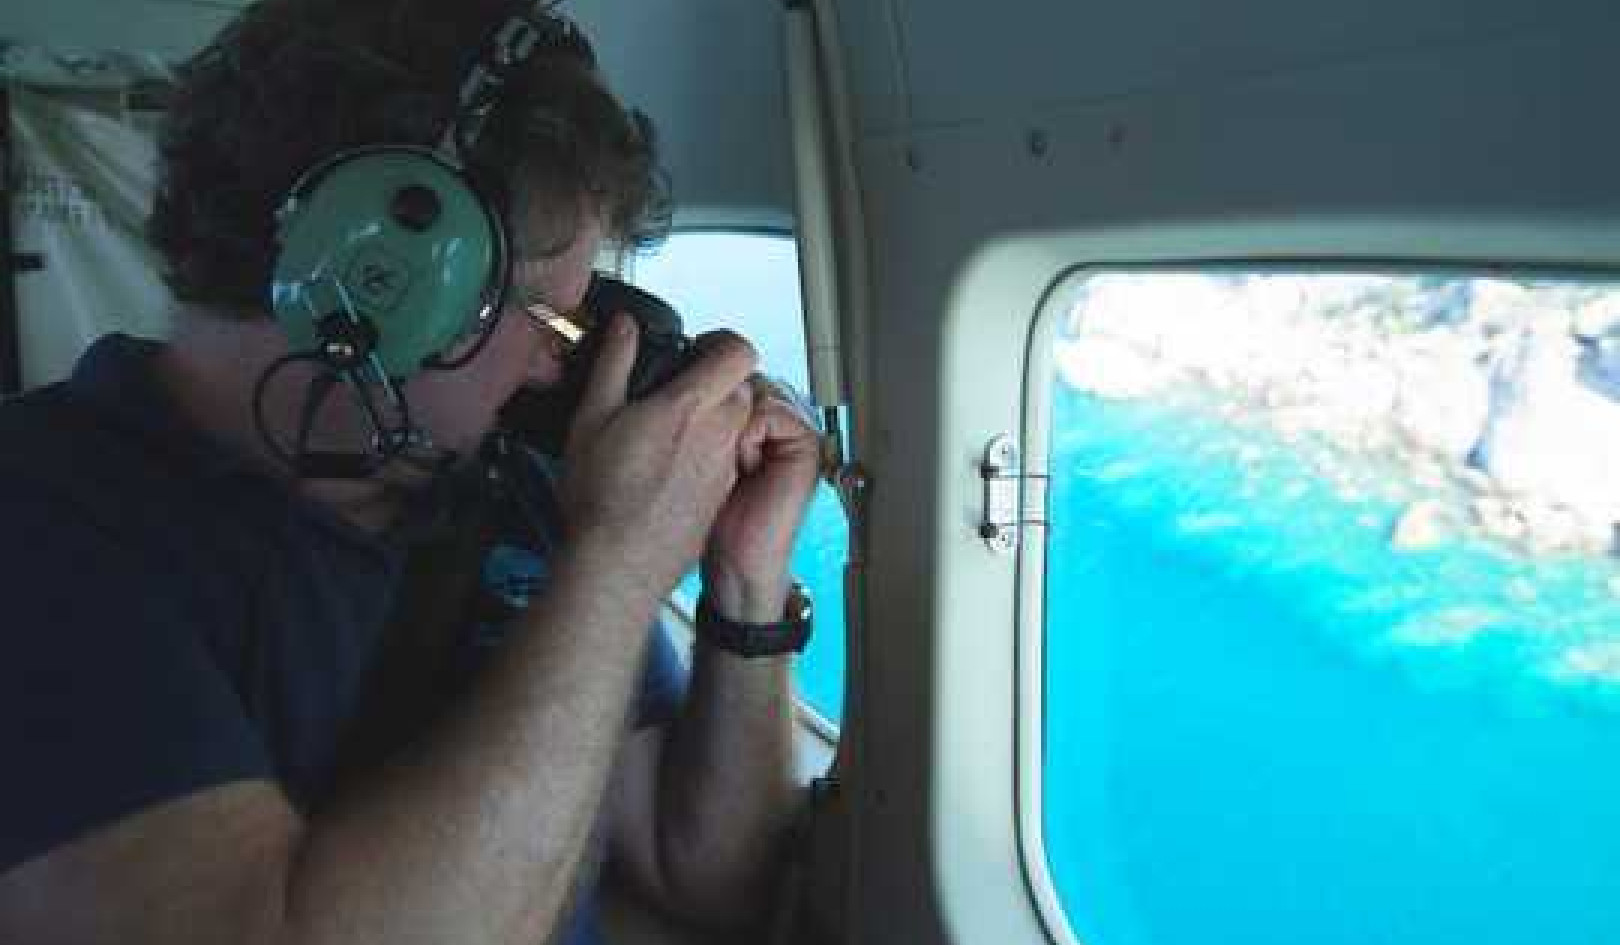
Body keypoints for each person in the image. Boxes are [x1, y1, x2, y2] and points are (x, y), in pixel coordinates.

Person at [0, 1, 820, 943]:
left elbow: (708, 876)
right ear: (377, 278)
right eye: (552, 320)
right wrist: (619, 566)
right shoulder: (43, 525)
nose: (563, 365)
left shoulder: (516, 501)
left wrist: (745, 588)